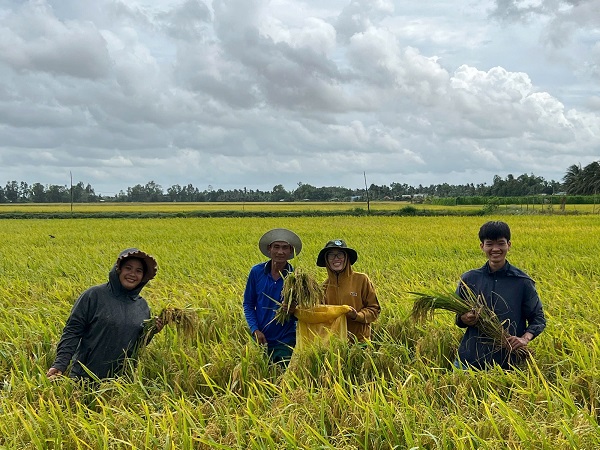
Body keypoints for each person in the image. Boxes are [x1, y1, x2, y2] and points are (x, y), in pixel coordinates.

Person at [47, 248, 163, 380]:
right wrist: (60, 364)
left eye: (138, 271)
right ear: (118, 270)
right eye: (128, 268)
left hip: (121, 381)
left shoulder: (142, 306)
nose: (132, 274)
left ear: (143, 277)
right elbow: (72, 331)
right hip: (84, 378)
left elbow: (136, 345)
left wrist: (151, 331)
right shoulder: (94, 296)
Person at [455, 221, 546, 370]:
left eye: (501, 243)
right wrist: (464, 318)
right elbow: (459, 319)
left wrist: (524, 339)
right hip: (469, 360)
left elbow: (538, 318)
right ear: (482, 246)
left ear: (509, 245)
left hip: (507, 363)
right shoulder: (469, 279)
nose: (495, 249)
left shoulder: (522, 282)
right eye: (490, 244)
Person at [243, 228, 302, 365]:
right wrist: (255, 330)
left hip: (285, 340)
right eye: (276, 247)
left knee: (283, 374)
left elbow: (304, 311)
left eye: (285, 248)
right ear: (269, 249)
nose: (280, 252)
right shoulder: (256, 272)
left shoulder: (296, 278)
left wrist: (294, 310)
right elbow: (248, 304)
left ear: (291, 251)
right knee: (256, 373)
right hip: (260, 337)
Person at [316, 239, 380, 342]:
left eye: (340, 254)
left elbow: (374, 309)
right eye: (331, 255)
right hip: (334, 344)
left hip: (360, 342)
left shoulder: (361, 280)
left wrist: (357, 316)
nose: (336, 259)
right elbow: (319, 316)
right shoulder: (323, 287)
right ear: (326, 260)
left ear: (347, 258)